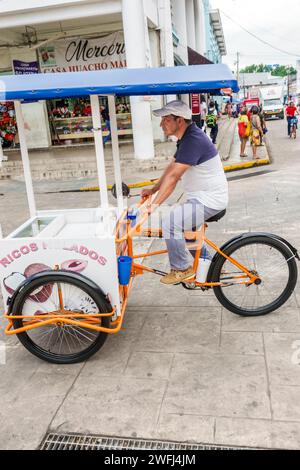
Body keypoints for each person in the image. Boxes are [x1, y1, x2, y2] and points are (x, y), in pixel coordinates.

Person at [141, 100, 228, 285]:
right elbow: (172, 167)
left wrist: (152, 206)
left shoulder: (193, 140)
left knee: (170, 225)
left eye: (165, 120)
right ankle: (212, 266)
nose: (161, 124)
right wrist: (154, 189)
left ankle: (181, 269)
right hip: (200, 198)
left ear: (179, 120)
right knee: (188, 234)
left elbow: (174, 178)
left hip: (209, 200)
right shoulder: (187, 138)